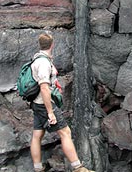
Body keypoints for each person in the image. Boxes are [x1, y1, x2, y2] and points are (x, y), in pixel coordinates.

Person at [30, 33, 95, 172]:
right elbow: (44, 88)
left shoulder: (37, 59)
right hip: (44, 104)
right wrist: (50, 113)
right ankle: (78, 167)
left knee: (37, 134)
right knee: (65, 132)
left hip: (37, 103)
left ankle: (38, 168)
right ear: (52, 45)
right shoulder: (43, 63)